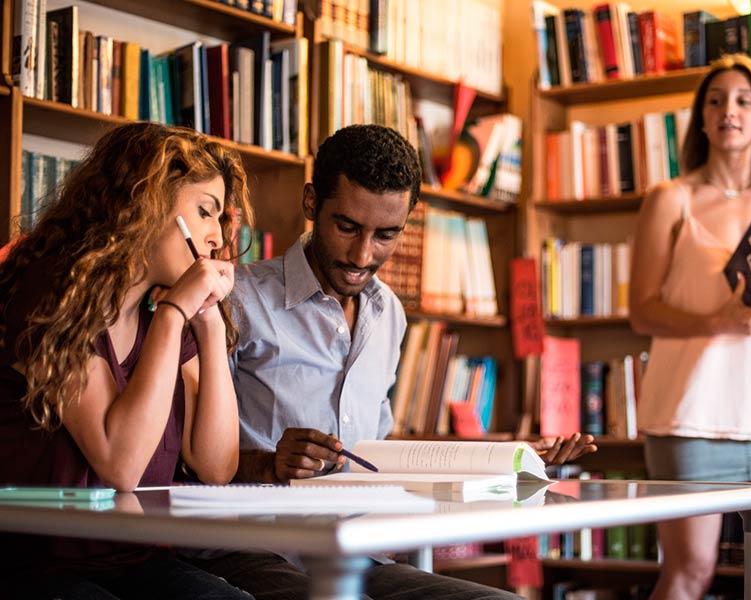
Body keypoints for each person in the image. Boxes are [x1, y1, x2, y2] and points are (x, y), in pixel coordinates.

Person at [186, 124, 596, 599]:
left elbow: (376, 462)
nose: (363, 255)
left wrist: (507, 464)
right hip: (253, 549)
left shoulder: (389, 316)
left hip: (361, 553)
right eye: (347, 227)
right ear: (310, 204)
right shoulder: (235, 298)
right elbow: (183, 466)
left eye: (386, 235)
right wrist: (270, 465)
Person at [0, 122, 253, 600]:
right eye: (205, 212)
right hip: (33, 563)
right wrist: (176, 311)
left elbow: (215, 466)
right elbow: (120, 462)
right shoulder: (51, 291)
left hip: (133, 560)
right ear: (145, 203)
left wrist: (210, 325)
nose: (217, 237)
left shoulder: (164, 317)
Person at [628, 54, 751, 600]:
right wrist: (720, 319)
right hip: (691, 418)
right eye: (714, 101)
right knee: (691, 573)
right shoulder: (671, 199)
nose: (727, 111)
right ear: (701, 117)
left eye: (742, 100)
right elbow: (641, 312)